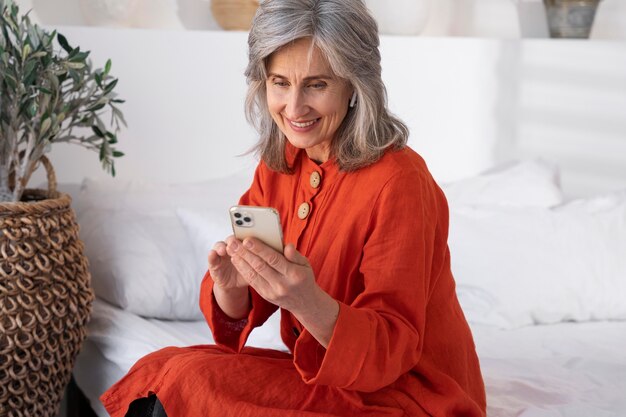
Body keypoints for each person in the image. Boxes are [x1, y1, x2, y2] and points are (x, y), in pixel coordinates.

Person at [101, 0, 487, 416]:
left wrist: (307, 302)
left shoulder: (400, 181)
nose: (295, 107)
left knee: (190, 382)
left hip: (410, 394)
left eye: (317, 85)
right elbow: (251, 304)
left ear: (355, 84)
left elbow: (393, 346)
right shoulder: (280, 164)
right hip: (325, 379)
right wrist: (232, 289)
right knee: (161, 368)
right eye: (280, 82)